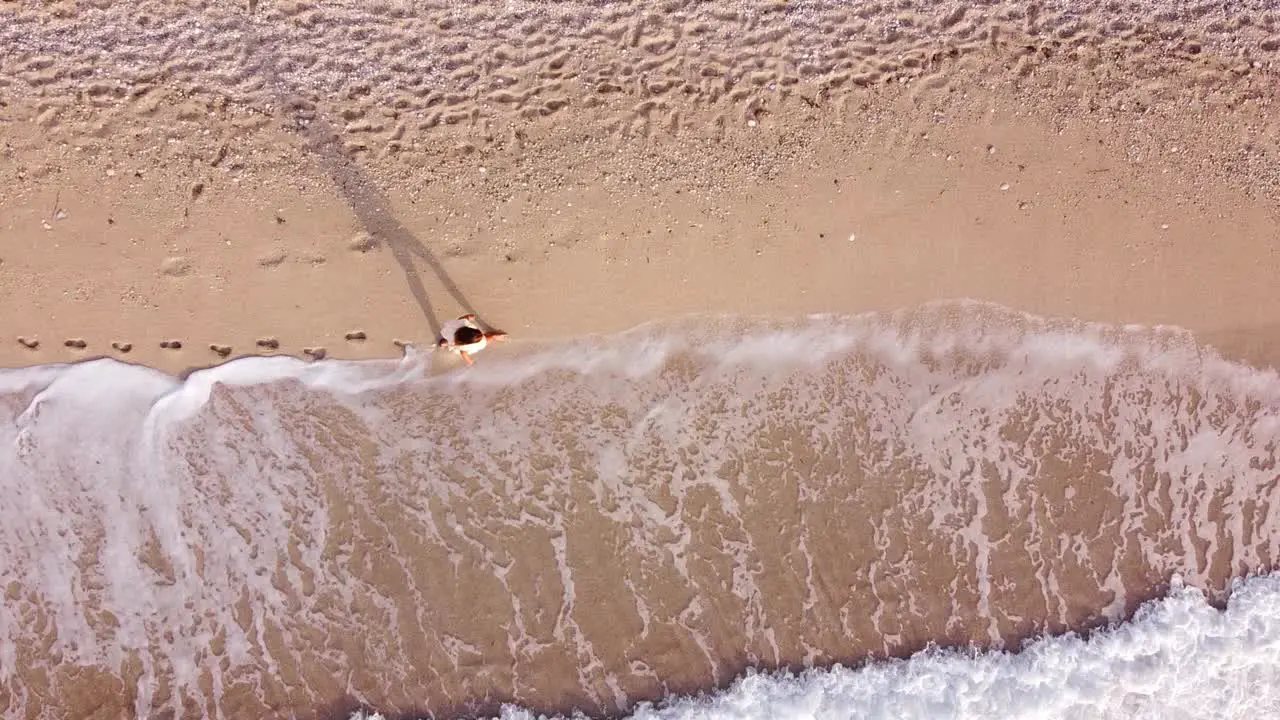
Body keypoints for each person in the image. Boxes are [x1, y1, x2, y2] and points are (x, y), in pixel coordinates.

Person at [436, 314, 506, 365]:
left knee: (449, 340)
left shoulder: (461, 324)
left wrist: (468, 317)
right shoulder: (464, 346)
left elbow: (462, 319)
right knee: (486, 340)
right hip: (457, 341)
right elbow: (464, 354)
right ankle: (494, 337)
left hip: (450, 336)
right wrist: (470, 362)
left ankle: (444, 343)